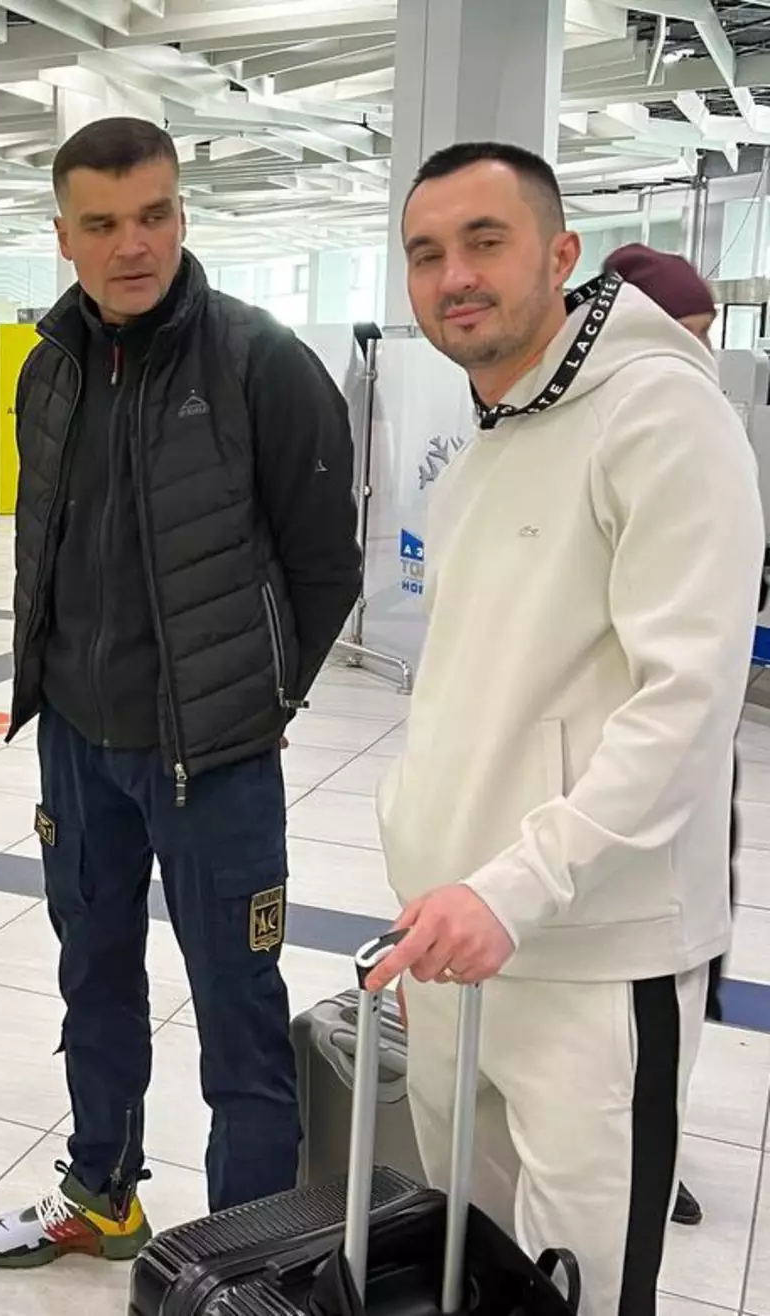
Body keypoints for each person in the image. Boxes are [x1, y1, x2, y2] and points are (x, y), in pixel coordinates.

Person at [367, 143, 763, 1316]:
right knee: (468, 1267)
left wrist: (515, 887)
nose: (453, 276)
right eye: (425, 254)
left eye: (484, 241)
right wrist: (430, 876)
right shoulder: (485, 441)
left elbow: (683, 705)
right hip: (456, 943)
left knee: (580, 1286)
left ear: (559, 254)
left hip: (591, 956)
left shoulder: (662, 414)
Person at [0, 117, 362, 1270]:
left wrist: (256, 700)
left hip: (213, 759)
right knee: (91, 979)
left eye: (152, 215)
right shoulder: (48, 367)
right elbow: (46, 543)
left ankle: (243, 1264)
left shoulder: (258, 361)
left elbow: (324, 566)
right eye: (101, 223)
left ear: (182, 214)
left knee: (238, 1014)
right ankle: (101, 1192)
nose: (130, 244)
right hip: (78, 744)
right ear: (63, 236)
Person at [600, 242, 754, 1231]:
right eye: (681, 333)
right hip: (620, 765)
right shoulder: (608, 428)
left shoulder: (700, 429)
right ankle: (637, 1154)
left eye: (705, 335)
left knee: (690, 963)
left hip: (698, 755)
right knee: (635, 989)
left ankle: (660, 1144)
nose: (695, 354)